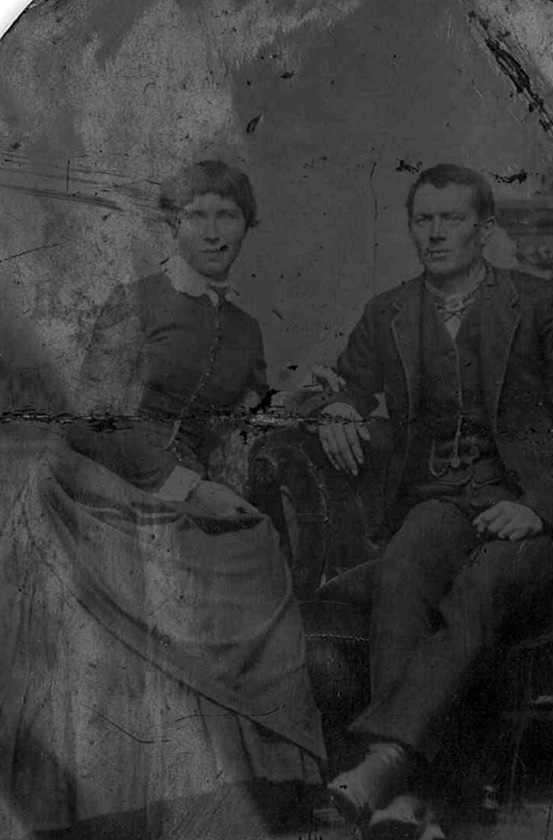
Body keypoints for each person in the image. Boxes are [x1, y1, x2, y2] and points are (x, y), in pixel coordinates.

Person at [0, 160, 325, 839]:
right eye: (196, 215)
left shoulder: (246, 328)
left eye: (227, 215)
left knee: (258, 544)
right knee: (163, 554)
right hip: (102, 477)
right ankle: (124, 797)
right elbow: (92, 418)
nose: (212, 231)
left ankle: (253, 783)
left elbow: (244, 415)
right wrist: (185, 485)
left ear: (247, 226)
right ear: (173, 225)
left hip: (187, 489)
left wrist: (309, 400)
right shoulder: (136, 301)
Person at [315, 164, 553, 839]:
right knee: (403, 567)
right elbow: (342, 383)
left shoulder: (539, 303)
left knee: (482, 584)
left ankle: (386, 770)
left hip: (531, 511)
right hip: (439, 501)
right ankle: (410, 801)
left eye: (453, 219)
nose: (436, 233)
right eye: (424, 219)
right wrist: (336, 407)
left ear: (485, 229)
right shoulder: (388, 312)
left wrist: (540, 507)